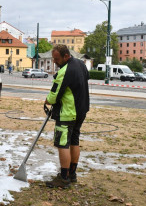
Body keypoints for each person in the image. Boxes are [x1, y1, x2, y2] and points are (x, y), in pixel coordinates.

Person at [45, 44, 89, 188]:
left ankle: (64, 178)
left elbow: (54, 96)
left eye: (56, 59)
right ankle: (72, 174)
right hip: (81, 110)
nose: (54, 62)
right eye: (53, 59)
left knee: (62, 143)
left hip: (68, 113)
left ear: (65, 56)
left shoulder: (64, 71)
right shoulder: (81, 64)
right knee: (74, 141)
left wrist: (47, 101)